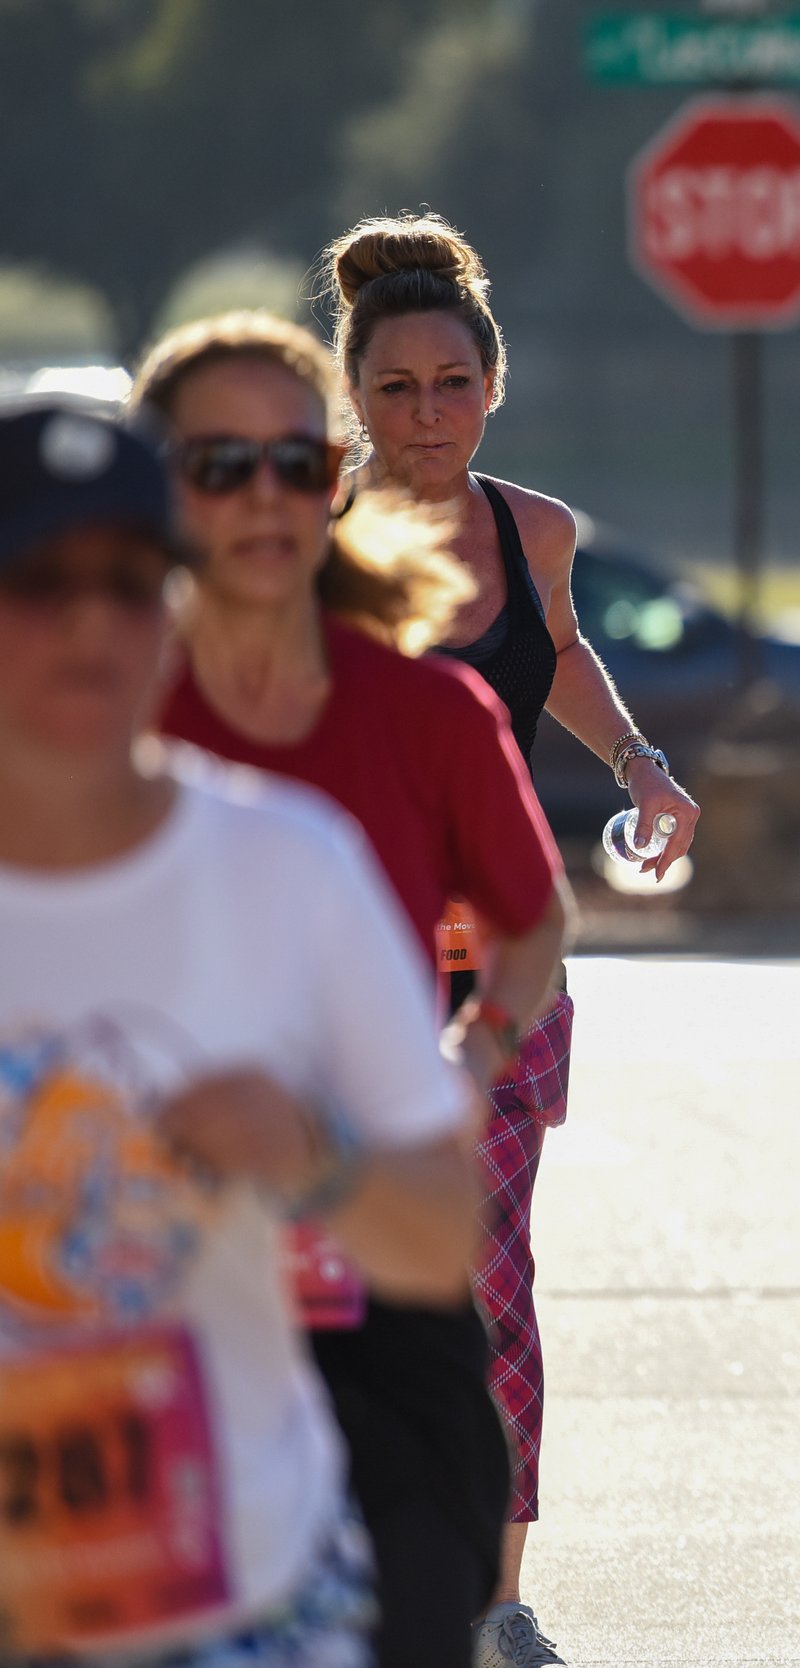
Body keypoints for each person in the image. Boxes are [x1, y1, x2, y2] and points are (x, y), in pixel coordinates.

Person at [0, 396, 480, 1665]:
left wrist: (314, 1155)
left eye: (129, 580)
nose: (90, 621)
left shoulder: (287, 865)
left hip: (251, 1600)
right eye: (41, 581)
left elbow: (440, 1240)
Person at [133, 313, 572, 1668]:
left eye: (293, 458)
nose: (263, 493)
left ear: (336, 476)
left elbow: (531, 917)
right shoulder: (95, 702)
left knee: (408, 1605)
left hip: (369, 1229)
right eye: (219, 463)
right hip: (135, 1254)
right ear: (159, 486)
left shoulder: (429, 712)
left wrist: (473, 1048)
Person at [319, 213, 703, 1668]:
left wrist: (640, 761)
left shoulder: (531, 530)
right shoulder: (310, 546)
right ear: (356, 396)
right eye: (397, 388)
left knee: (489, 1281)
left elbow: (555, 650)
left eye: (451, 384)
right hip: (339, 969)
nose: (427, 415)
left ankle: (491, 1596)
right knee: (332, 1270)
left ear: (493, 389)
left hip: (504, 963)